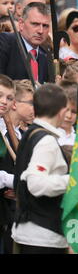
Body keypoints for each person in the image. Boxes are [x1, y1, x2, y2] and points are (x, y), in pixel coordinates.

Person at [12, 84, 70, 254]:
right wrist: (74, 180)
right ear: (61, 112)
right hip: (43, 237)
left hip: (33, 233)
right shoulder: (46, 141)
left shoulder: (31, 133)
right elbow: (36, 183)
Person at [0, 2, 51, 83]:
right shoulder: (5, 42)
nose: (40, 31)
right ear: (21, 24)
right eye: (35, 24)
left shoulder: (46, 55)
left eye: (45, 26)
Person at [0, 75, 18, 254]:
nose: (4, 102)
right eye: (0, 95)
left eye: (9, 97)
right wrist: (15, 181)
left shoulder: (4, 127)